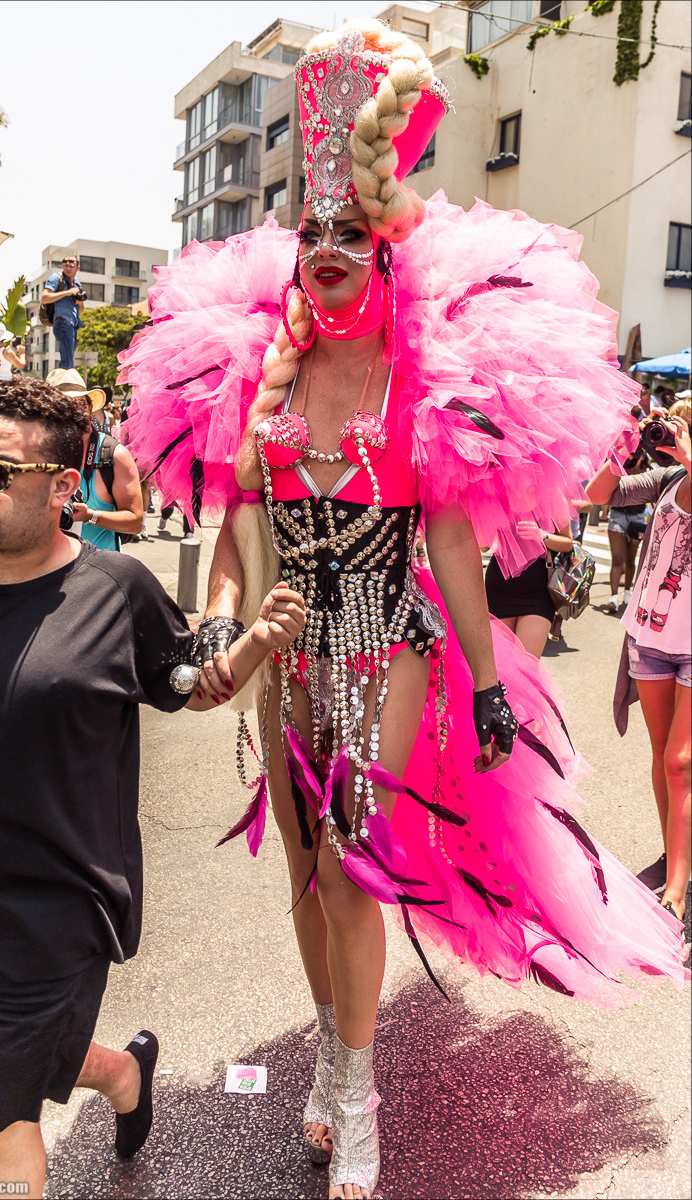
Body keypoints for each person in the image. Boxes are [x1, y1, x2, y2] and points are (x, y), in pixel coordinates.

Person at [119, 22, 688, 1198]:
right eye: (310, 234)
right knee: (295, 866)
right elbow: (236, 527)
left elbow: (445, 543)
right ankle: (330, 1060)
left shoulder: (418, 381)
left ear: (385, 256)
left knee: (350, 869)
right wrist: (224, 615)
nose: (326, 249)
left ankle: (360, 1101)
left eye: (350, 234)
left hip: (391, 650)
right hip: (287, 657)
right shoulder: (261, 383)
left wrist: (484, 681)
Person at [0, 376, 305, 1200]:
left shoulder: (115, 593)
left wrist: (256, 641)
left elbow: (189, 683)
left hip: (58, 907)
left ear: (61, 488)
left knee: (1, 1124)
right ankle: (122, 1075)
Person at [586, 403, 691, 929]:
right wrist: (623, 448)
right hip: (650, 636)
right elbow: (598, 495)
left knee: (681, 761)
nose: (676, 436)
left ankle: (677, 887)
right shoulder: (670, 476)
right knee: (661, 754)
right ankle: (676, 854)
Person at [46, 368, 142, 549]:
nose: (72, 413)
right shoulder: (36, 453)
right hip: (49, 570)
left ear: (90, 410)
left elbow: (135, 521)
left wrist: (91, 515)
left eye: (78, 405)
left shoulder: (114, 455)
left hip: (99, 571)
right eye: (62, 406)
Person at [485, 519, 574, 657]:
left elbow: (568, 544)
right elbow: (483, 546)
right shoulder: (497, 498)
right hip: (499, 589)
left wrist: (542, 535)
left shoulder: (552, 499)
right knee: (500, 665)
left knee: (526, 666)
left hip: (538, 593)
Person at [603, 446, 651, 612]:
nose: (633, 456)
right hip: (617, 515)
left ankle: (628, 591)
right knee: (617, 559)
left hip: (637, 518)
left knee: (630, 560)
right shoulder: (620, 466)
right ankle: (613, 596)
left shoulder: (648, 470)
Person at [41, 254, 85, 369]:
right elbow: (44, 298)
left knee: (69, 358)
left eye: (71, 266)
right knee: (67, 362)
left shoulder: (77, 284)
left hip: (73, 324)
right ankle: (65, 385)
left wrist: (79, 300)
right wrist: (68, 292)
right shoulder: (56, 278)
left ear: (77, 268)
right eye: (66, 266)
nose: (68, 269)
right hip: (62, 322)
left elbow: (81, 309)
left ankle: (64, 383)